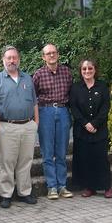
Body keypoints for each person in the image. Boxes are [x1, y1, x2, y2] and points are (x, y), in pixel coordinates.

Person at [0, 45, 39, 208]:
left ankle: (24, 192)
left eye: (14, 57)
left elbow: (35, 102)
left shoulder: (27, 79)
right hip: (7, 127)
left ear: (19, 59)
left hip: (28, 126)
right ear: (3, 60)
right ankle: (6, 194)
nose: (12, 60)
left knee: (26, 161)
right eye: (9, 58)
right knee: (7, 162)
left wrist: (35, 123)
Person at [32, 44, 74, 200]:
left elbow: (71, 93)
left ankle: (62, 186)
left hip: (63, 111)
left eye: (54, 53)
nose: (51, 55)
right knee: (48, 152)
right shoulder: (38, 74)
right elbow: (33, 97)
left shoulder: (66, 72)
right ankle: (52, 187)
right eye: (48, 53)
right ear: (43, 57)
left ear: (58, 54)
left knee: (62, 152)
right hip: (46, 112)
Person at [69, 59, 112, 198]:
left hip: (99, 130)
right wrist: (85, 123)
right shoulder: (75, 88)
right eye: (84, 69)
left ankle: (106, 187)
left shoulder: (102, 87)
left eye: (90, 68)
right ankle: (90, 187)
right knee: (86, 159)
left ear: (95, 70)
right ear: (80, 71)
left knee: (101, 159)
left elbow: (105, 108)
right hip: (82, 130)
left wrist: (94, 124)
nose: (87, 71)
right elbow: (74, 108)